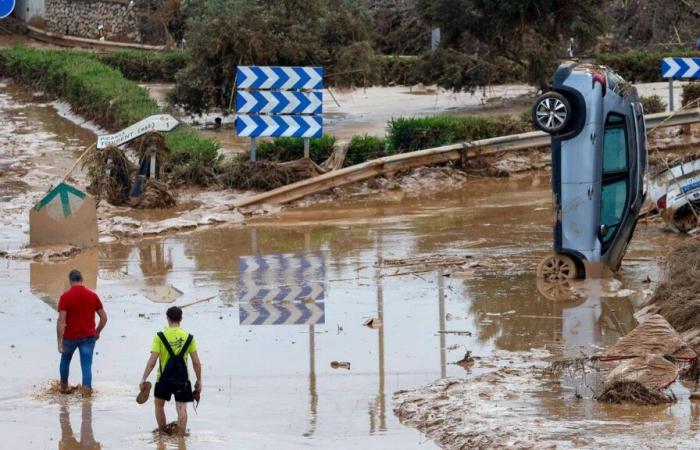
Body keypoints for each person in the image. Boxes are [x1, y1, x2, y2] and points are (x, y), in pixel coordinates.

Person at [140, 306, 202, 437]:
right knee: (182, 409)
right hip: (182, 380)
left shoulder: (159, 336)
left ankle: (162, 434)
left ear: (167, 318)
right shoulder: (189, 337)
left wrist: (143, 378)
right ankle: (180, 439)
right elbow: (196, 363)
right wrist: (199, 380)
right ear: (181, 319)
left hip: (163, 379)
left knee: (159, 405)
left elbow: (152, 361)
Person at [57, 270, 108, 397]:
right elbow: (104, 318)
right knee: (86, 365)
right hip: (88, 337)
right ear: (82, 279)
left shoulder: (65, 297)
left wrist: (59, 341)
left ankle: (63, 388)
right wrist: (97, 332)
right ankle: (86, 394)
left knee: (65, 360)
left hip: (69, 337)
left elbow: (61, 321)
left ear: (70, 281)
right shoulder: (92, 295)